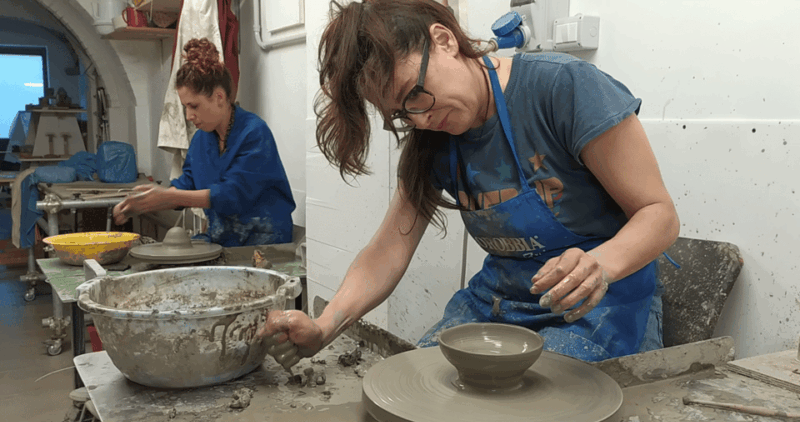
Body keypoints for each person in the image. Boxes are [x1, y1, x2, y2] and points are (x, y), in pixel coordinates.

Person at [259, 0, 679, 367]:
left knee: (533, 407)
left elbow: (659, 214)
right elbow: (388, 248)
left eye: (415, 94)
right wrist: (324, 326)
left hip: (599, 302)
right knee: (423, 385)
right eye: (401, 114)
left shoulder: (564, 88)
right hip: (500, 302)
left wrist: (600, 265)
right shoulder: (430, 141)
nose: (419, 119)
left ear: (443, 40)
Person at [113, 38, 295, 247]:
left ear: (219, 97)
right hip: (225, 240)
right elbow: (189, 181)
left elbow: (232, 194)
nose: (189, 115)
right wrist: (145, 201)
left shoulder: (254, 133)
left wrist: (168, 198)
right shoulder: (201, 138)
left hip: (267, 244)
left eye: (194, 106)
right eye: (185, 108)